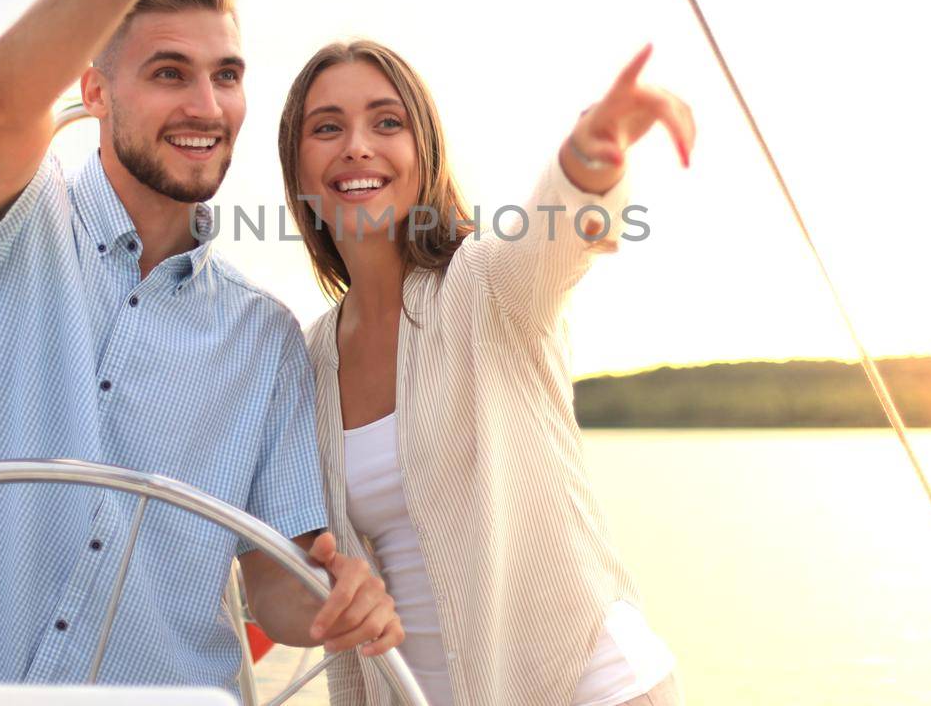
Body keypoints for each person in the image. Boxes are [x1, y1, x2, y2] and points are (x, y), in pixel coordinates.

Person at [0, 0, 401, 690]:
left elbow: (275, 589)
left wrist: (338, 595)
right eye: (168, 72)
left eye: (226, 75)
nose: (207, 104)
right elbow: (1, 104)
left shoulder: (265, 337)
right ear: (94, 91)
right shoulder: (5, 226)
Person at [277, 39, 694, 705]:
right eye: (327, 127)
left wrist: (593, 144)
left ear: (426, 155)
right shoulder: (308, 358)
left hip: (588, 687)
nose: (357, 145)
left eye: (387, 122)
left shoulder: (485, 283)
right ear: (298, 169)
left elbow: (552, 232)